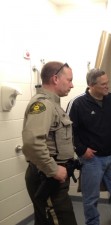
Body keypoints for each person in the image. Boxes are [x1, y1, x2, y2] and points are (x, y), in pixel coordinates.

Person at [66, 68, 111, 225]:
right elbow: (68, 132)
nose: (107, 86)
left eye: (107, 82)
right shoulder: (77, 103)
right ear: (91, 85)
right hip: (92, 160)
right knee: (91, 199)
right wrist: (82, 150)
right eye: (103, 84)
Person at [22, 61, 77, 225]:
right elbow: (32, 143)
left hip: (52, 176)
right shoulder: (43, 104)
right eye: (69, 80)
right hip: (47, 177)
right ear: (55, 79)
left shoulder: (54, 105)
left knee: (47, 220)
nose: (72, 85)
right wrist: (53, 170)